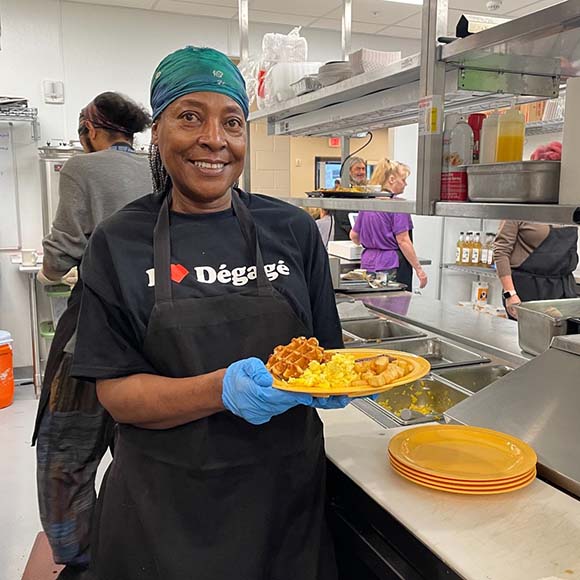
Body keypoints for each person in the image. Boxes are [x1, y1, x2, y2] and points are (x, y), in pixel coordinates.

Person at [69, 46, 349, 579]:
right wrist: (221, 389)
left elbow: (327, 359)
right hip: (163, 512)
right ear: (158, 132)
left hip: (282, 508)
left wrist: (335, 382)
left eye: (232, 122)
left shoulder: (292, 231)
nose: (214, 140)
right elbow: (117, 395)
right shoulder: (117, 243)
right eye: (189, 116)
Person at [32, 92, 152, 579]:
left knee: (65, 456)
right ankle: (133, 551)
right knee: (138, 455)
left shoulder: (83, 169)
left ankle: (81, 561)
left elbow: (61, 254)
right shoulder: (157, 168)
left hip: (92, 335)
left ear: (91, 127)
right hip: (149, 336)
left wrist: (49, 272)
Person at [349, 159, 428, 289]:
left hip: (368, 264)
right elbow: (403, 241)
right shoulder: (396, 206)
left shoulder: (367, 204)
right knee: (393, 305)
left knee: (371, 304)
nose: (405, 184)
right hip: (391, 265)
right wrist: (419, 270)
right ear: (391, 179)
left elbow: (354, 236)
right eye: (403, 180)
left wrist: (373, 241)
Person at [494, 221, 578, 319]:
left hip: (563, 288)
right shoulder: (518, 210)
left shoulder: (569, 212)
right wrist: (510, 294)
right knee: (528, 332)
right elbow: (501, 252)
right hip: (527, 289)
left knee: (565, 332)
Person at [333, 156, 367, 241]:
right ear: (349, 171)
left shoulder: (366, 190)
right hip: (345, 237)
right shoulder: (343, 191)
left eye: (363, 169)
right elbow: (343, 218)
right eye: (358, 169)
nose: (361, 172)